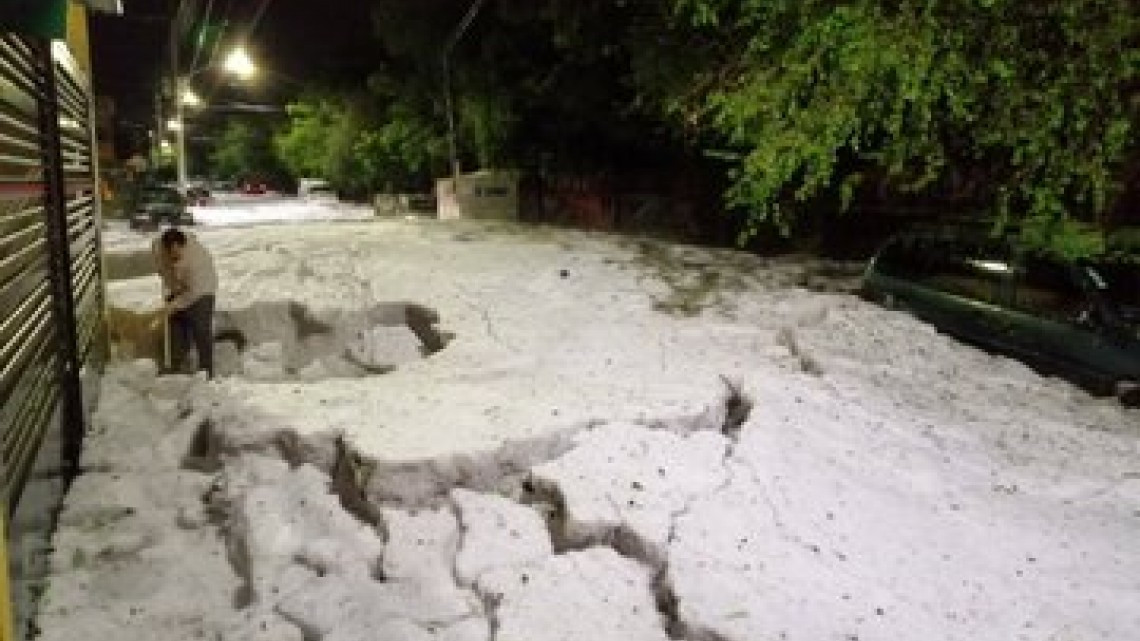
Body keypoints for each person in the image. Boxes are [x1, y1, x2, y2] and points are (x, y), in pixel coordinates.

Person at [152, 228, 217, 377]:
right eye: (171, 252)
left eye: (177, 253)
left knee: (201, 328)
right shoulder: (157, 247)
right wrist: (173, 290)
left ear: (183, 246)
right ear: (165, 248)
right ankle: (176, 366)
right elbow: (163, 269)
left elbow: (194, 292)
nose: (174, 255)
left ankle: (206, 372)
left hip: (202, 290)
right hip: (182, 284)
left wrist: (175, 305)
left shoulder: (197, 263)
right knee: (175, 324)